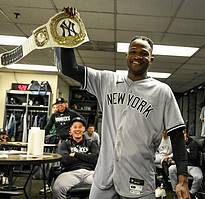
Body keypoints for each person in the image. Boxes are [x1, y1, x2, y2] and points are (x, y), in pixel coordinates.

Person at [57, 7, 190, 199]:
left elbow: (177, 135)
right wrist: (68, 33)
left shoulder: (162, 91)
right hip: (104, 176)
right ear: (126, 56)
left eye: (143, 53)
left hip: (139, 176)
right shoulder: (107, 81)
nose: (137, 56)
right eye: (132, 51)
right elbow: (70, 69)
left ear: (151, 59)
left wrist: (182, 179)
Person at [52, 117, 99, 199]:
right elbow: (65, 160)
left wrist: (75, 154)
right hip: (70, 173)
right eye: (75, 127)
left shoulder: (91, 143)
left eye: (80, 127)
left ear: (84, 129)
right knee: (57, 188)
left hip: (90, 173)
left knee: (105, 186)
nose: (77, 129)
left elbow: (95, 159)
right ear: (70, 129)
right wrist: (87, 157)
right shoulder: (65, 144)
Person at [169, 129, 203, 198]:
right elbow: (176, 157)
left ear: (186, 135)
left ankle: (192, 193)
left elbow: (194, 157)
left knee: (199, 177)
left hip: (193, 166)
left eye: (183, 135)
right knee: (171, 169)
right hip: (182, 165)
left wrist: (184, 149)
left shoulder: (193, 144)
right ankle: (176, 191)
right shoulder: (179, 145)